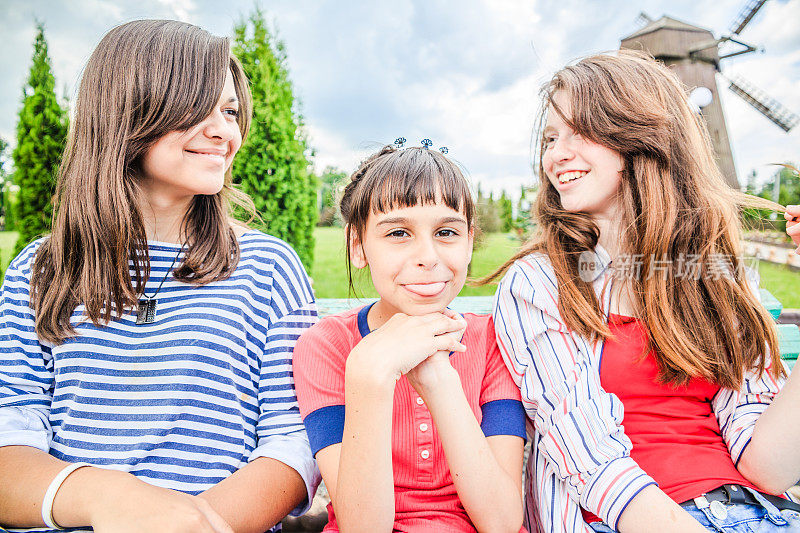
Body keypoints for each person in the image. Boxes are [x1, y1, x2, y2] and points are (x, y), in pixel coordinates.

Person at [0, 20, 319, 533]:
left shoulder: (267, 269)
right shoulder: (41, 271)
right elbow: (8, 452)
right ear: (129, 109)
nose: (224, 131)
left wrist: (193, 524)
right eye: (200, 107)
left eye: (231, 111)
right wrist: (109, 498)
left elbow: (295, 445)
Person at [488, 51, 800, 532]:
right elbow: (587, 456)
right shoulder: (540, 281)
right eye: (551, 138)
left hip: (752, 512)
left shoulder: (717, 276)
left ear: (643, 135)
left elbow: (769, 468)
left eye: (580, 131)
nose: (556, 154)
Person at [292, 143, 527, 532]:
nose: (428, 256)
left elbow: (501, 521)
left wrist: (438, 379)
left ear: (469, 242)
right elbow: (363, 526)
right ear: (357, 246)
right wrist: (372, 373)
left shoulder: (492, 342)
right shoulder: (326, 346)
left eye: (447, 232)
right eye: (399, 233)